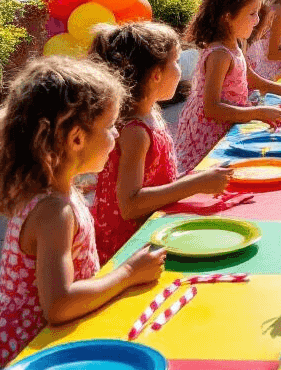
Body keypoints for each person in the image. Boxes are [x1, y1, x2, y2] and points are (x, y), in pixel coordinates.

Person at [0, 58, 166, 370]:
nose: (117, 133)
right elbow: (58, 305)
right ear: (76, 138)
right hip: (30, 358)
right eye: (109, 126)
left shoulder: (56, 192)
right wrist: (129, 273)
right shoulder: (54, 212)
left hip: (41, 349)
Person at [89, 22, 233, 263]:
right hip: (130, 249)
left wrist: (195, 179)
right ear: (156, 75)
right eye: (176, 62)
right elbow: (130, 205)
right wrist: (194, 184)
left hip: (152, 231)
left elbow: (155, 179)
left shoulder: (149, 113)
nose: (181, 68)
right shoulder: (135, 132)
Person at [175, 0, 281, 174]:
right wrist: (258, 113)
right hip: (208, 131)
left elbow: (250, 78)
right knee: (211, 175)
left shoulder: (236, 42)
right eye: (252, 14)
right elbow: (211, 108)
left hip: (227, 121)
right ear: (227, 17)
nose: (258, 20)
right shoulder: (219, 54)